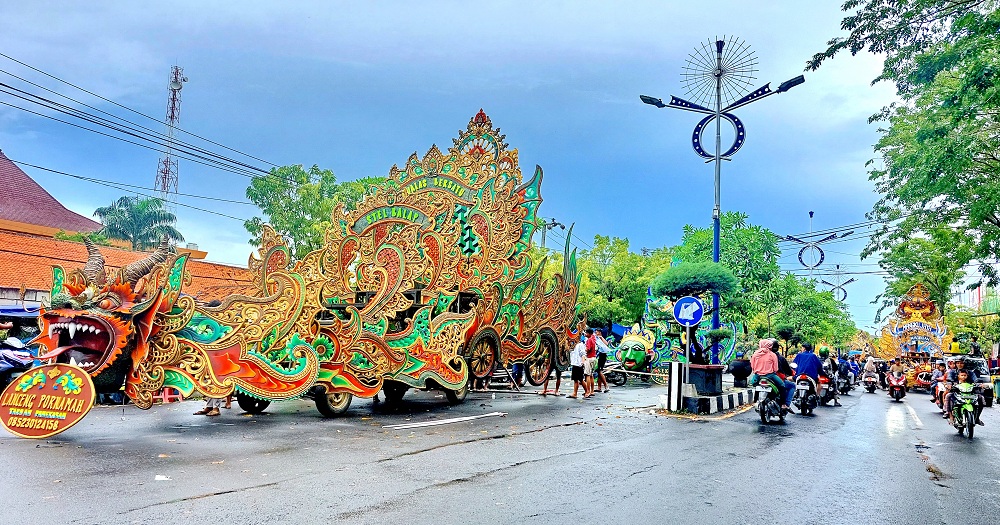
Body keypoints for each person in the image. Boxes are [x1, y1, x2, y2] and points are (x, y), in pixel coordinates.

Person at [749, 339, 792, 410]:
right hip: (770, 375)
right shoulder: (772, 355)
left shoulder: (755, 354)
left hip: (758, 376)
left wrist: (758, 371)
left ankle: (755, 401)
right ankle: (783, 404)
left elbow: (752, 366)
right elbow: (775, 369)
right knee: (782, 386)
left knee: (756, 385)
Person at [583, 328, 597, 398]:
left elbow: (588, 349)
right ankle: (592, 391)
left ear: (589, 333)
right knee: (591, 375)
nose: (585, 334)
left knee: (587, 375)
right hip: (593, 358)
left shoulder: (589, 340)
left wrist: (583, 350)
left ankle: (588, 391)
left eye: (586, 333)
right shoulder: (593, 339)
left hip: (589, 358)